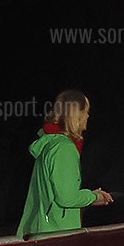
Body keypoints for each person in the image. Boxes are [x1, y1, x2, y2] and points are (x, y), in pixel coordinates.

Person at [17, 90, 113, 237]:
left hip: (42, 230)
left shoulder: (50, 144)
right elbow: (66, 198)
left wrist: (88, 198)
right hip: (57, 236)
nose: (88, 116)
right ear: (77, 114)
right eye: (86, 111)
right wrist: (93, 196)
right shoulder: (64, 149)